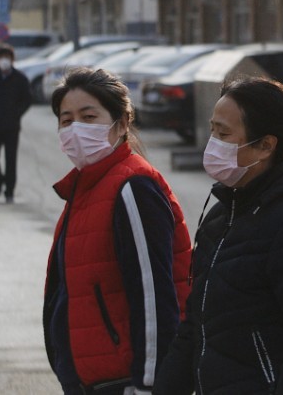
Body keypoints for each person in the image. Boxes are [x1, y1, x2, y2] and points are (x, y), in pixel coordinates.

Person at [154, 77, 283, 395]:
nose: (213, 142)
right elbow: (196, 326)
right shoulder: (221, 217)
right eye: (213, 130)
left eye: (224, 134)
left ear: (265, 145)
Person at [44, 67, 193, 395]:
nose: (75, 129)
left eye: (88, 116)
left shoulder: (132, 187)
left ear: (122, 123)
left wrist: (148, 384)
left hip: (127, 383)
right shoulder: (86, 188)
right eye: (66, 120)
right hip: (92, 382)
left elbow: (154, 296)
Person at [0, 43, 32, 203]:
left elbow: (27, 99)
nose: (4, 61)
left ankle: (9, 190)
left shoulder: (20, 79)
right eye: (1, 58)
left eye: (7, 58)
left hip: (12, 126)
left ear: (12, 59)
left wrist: (17, 114)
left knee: (11, 160)